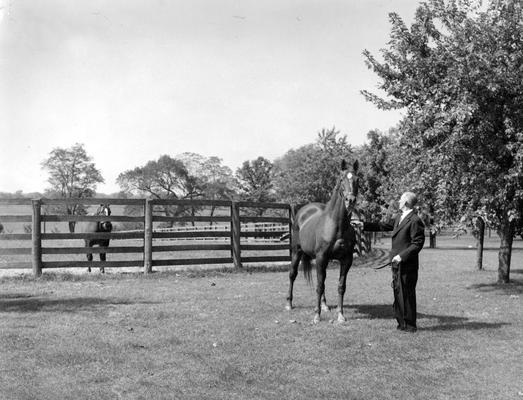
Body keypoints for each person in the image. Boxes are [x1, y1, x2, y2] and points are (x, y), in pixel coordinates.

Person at [362, 192, 425, 332]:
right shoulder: (399, 217)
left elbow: (417, 243)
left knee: (407, 294)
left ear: (406, 203)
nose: (399, 200)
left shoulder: (415, 220)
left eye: (401, 199)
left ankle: (410, 326)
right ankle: (401, 323)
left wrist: (401, 256)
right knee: (398, 292)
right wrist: (363, 225)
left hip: (407, 264)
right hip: (396, 263)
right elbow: (383, 226)